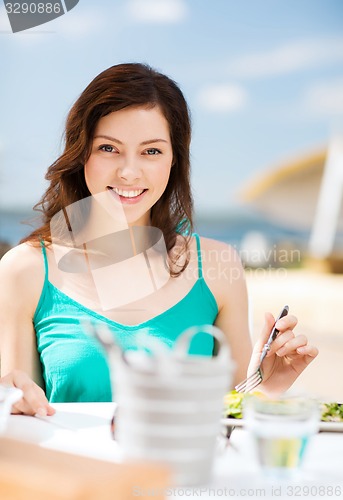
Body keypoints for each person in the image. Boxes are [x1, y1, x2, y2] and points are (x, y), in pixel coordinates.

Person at [0, 63, 318, 417]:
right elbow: (19, 418)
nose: (129, 172)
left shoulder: (218, 267)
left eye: (151, 151)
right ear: (81, 152)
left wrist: (266, 387)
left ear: (174, 160)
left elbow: (230, 423)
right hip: (72, 472)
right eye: (108, 148)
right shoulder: (23, 270)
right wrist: (9, 401)